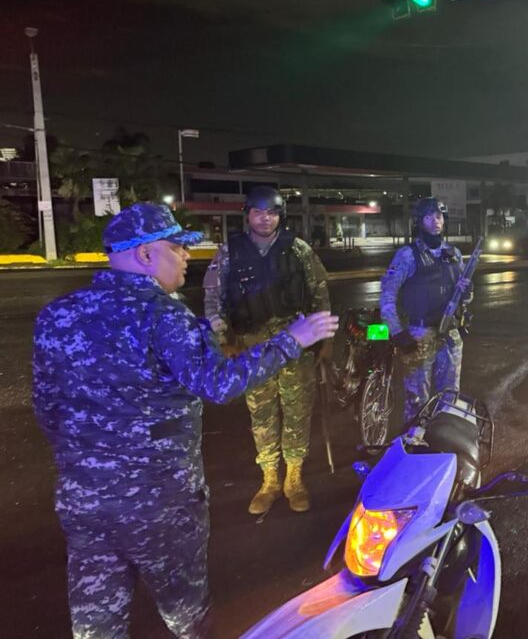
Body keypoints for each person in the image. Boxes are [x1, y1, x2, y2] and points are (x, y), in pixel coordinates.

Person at [32, 202, 338, 639]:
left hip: (84, 500)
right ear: (145, 254)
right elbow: (217, 383)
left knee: (97, 620)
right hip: (158, 502)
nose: (186, 256)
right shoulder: (163, 315)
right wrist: (293, 340)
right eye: (176, 247)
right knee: (186, 614)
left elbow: (47, 408)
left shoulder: (57, 315)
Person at [204, 186, 331, 515]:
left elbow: (319, 292)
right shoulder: (230, 252)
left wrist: (324, 339)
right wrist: (223, 340)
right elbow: (213, 299)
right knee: (261, 414)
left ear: (280, 216)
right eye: (258, 212)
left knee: (297, 411)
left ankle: (294, 477)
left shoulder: (298, 249)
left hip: (295, 342)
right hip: (253, 346)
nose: (265, 218)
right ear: (247, 215)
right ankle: (270, 479)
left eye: (272, 213)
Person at [380, 197, 472, 422]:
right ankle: (415, 439)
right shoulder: (408, 255)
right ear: (420, 221)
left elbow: (466, 297)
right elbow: (388, 295)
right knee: (416, 403)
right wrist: (397, 332)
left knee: (449, 399)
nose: (435, 221)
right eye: (429, 217)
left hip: (449, 335)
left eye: (438, 216)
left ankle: (444, 438)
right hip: (419, 337)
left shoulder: (454, 254)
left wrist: (467, 291)